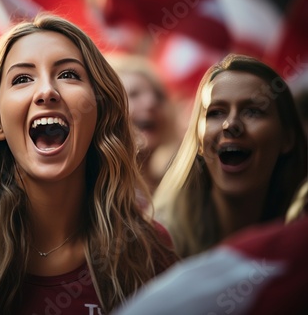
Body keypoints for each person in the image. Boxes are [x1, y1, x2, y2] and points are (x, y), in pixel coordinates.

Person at [0, 14, 178, 314]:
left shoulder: (150, 249)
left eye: (69, 75)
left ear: (99, 113)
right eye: (22, 79)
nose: (46, 91)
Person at [153, 53, 307, 258]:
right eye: (216, 113)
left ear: (287, 139)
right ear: (199, 140)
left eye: (253, 111)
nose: (231, 125)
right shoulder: (154, 247)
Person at [114, 180, 308, 315]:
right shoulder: (157, 242)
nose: (230, 126)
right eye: (215, 117)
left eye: (254, 116)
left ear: (288, 138)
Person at [107, 53, 179, 193]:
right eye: (134, 94)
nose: (151, 103)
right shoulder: (91, 193)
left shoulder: (180, 190)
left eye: (158, 96)